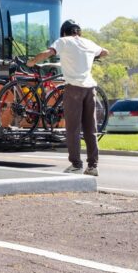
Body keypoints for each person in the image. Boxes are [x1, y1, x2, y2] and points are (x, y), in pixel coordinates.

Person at [27, 19, 109, 176]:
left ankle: (76, 164)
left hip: (74, 89)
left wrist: (31, 62)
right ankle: (92, 166)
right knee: (90, 129)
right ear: (78, 31)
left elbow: (48, 53)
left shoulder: (63, 41)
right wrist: (90, 57)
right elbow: (105, 52)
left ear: (64, 32)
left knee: (73, 129)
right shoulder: (88, 42)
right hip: (90, 88)